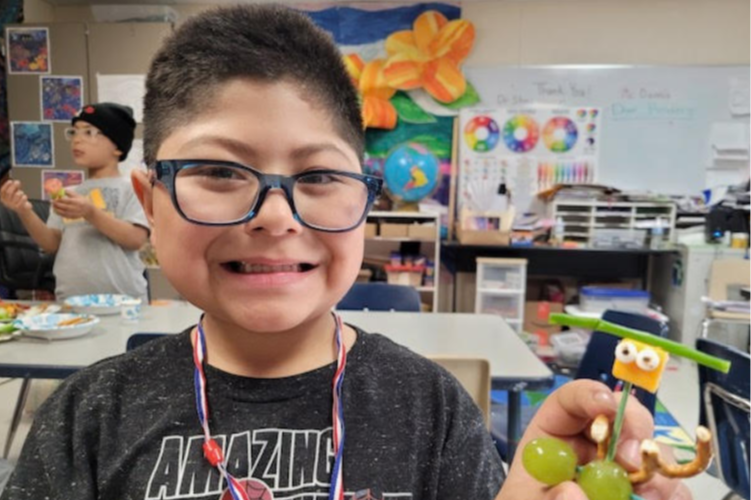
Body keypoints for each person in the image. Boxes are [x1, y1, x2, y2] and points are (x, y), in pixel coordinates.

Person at [1, 6, 690, 500]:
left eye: (320, 176)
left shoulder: (434, 410)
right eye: (219, 172)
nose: (275, 217)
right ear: (150, 201)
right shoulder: (88, 415)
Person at [0, 103, 149, 301]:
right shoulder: (69, 193)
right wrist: (24, 211)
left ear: (117, 147)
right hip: (71, 300)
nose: (77, 140)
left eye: (89, 132)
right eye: (74, 132)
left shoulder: (132, 187)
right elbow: (52, 243)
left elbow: (135, 239)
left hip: (123, 302)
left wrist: (90, 212)